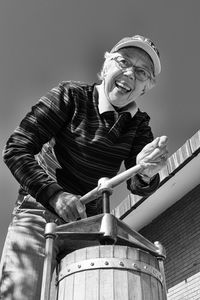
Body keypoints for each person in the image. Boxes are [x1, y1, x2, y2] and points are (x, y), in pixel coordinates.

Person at [0, 34, 168, 299]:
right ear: (105, 67)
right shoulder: (70, 96)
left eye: (141, 72)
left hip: (86, 226)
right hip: (38, 213)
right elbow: (17, 147)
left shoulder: (139, 125)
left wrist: (146, 173)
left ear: (146, 87)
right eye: (123, 61)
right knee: (21, 294)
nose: (129, 73)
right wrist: (55, 195)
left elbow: (138, 185)